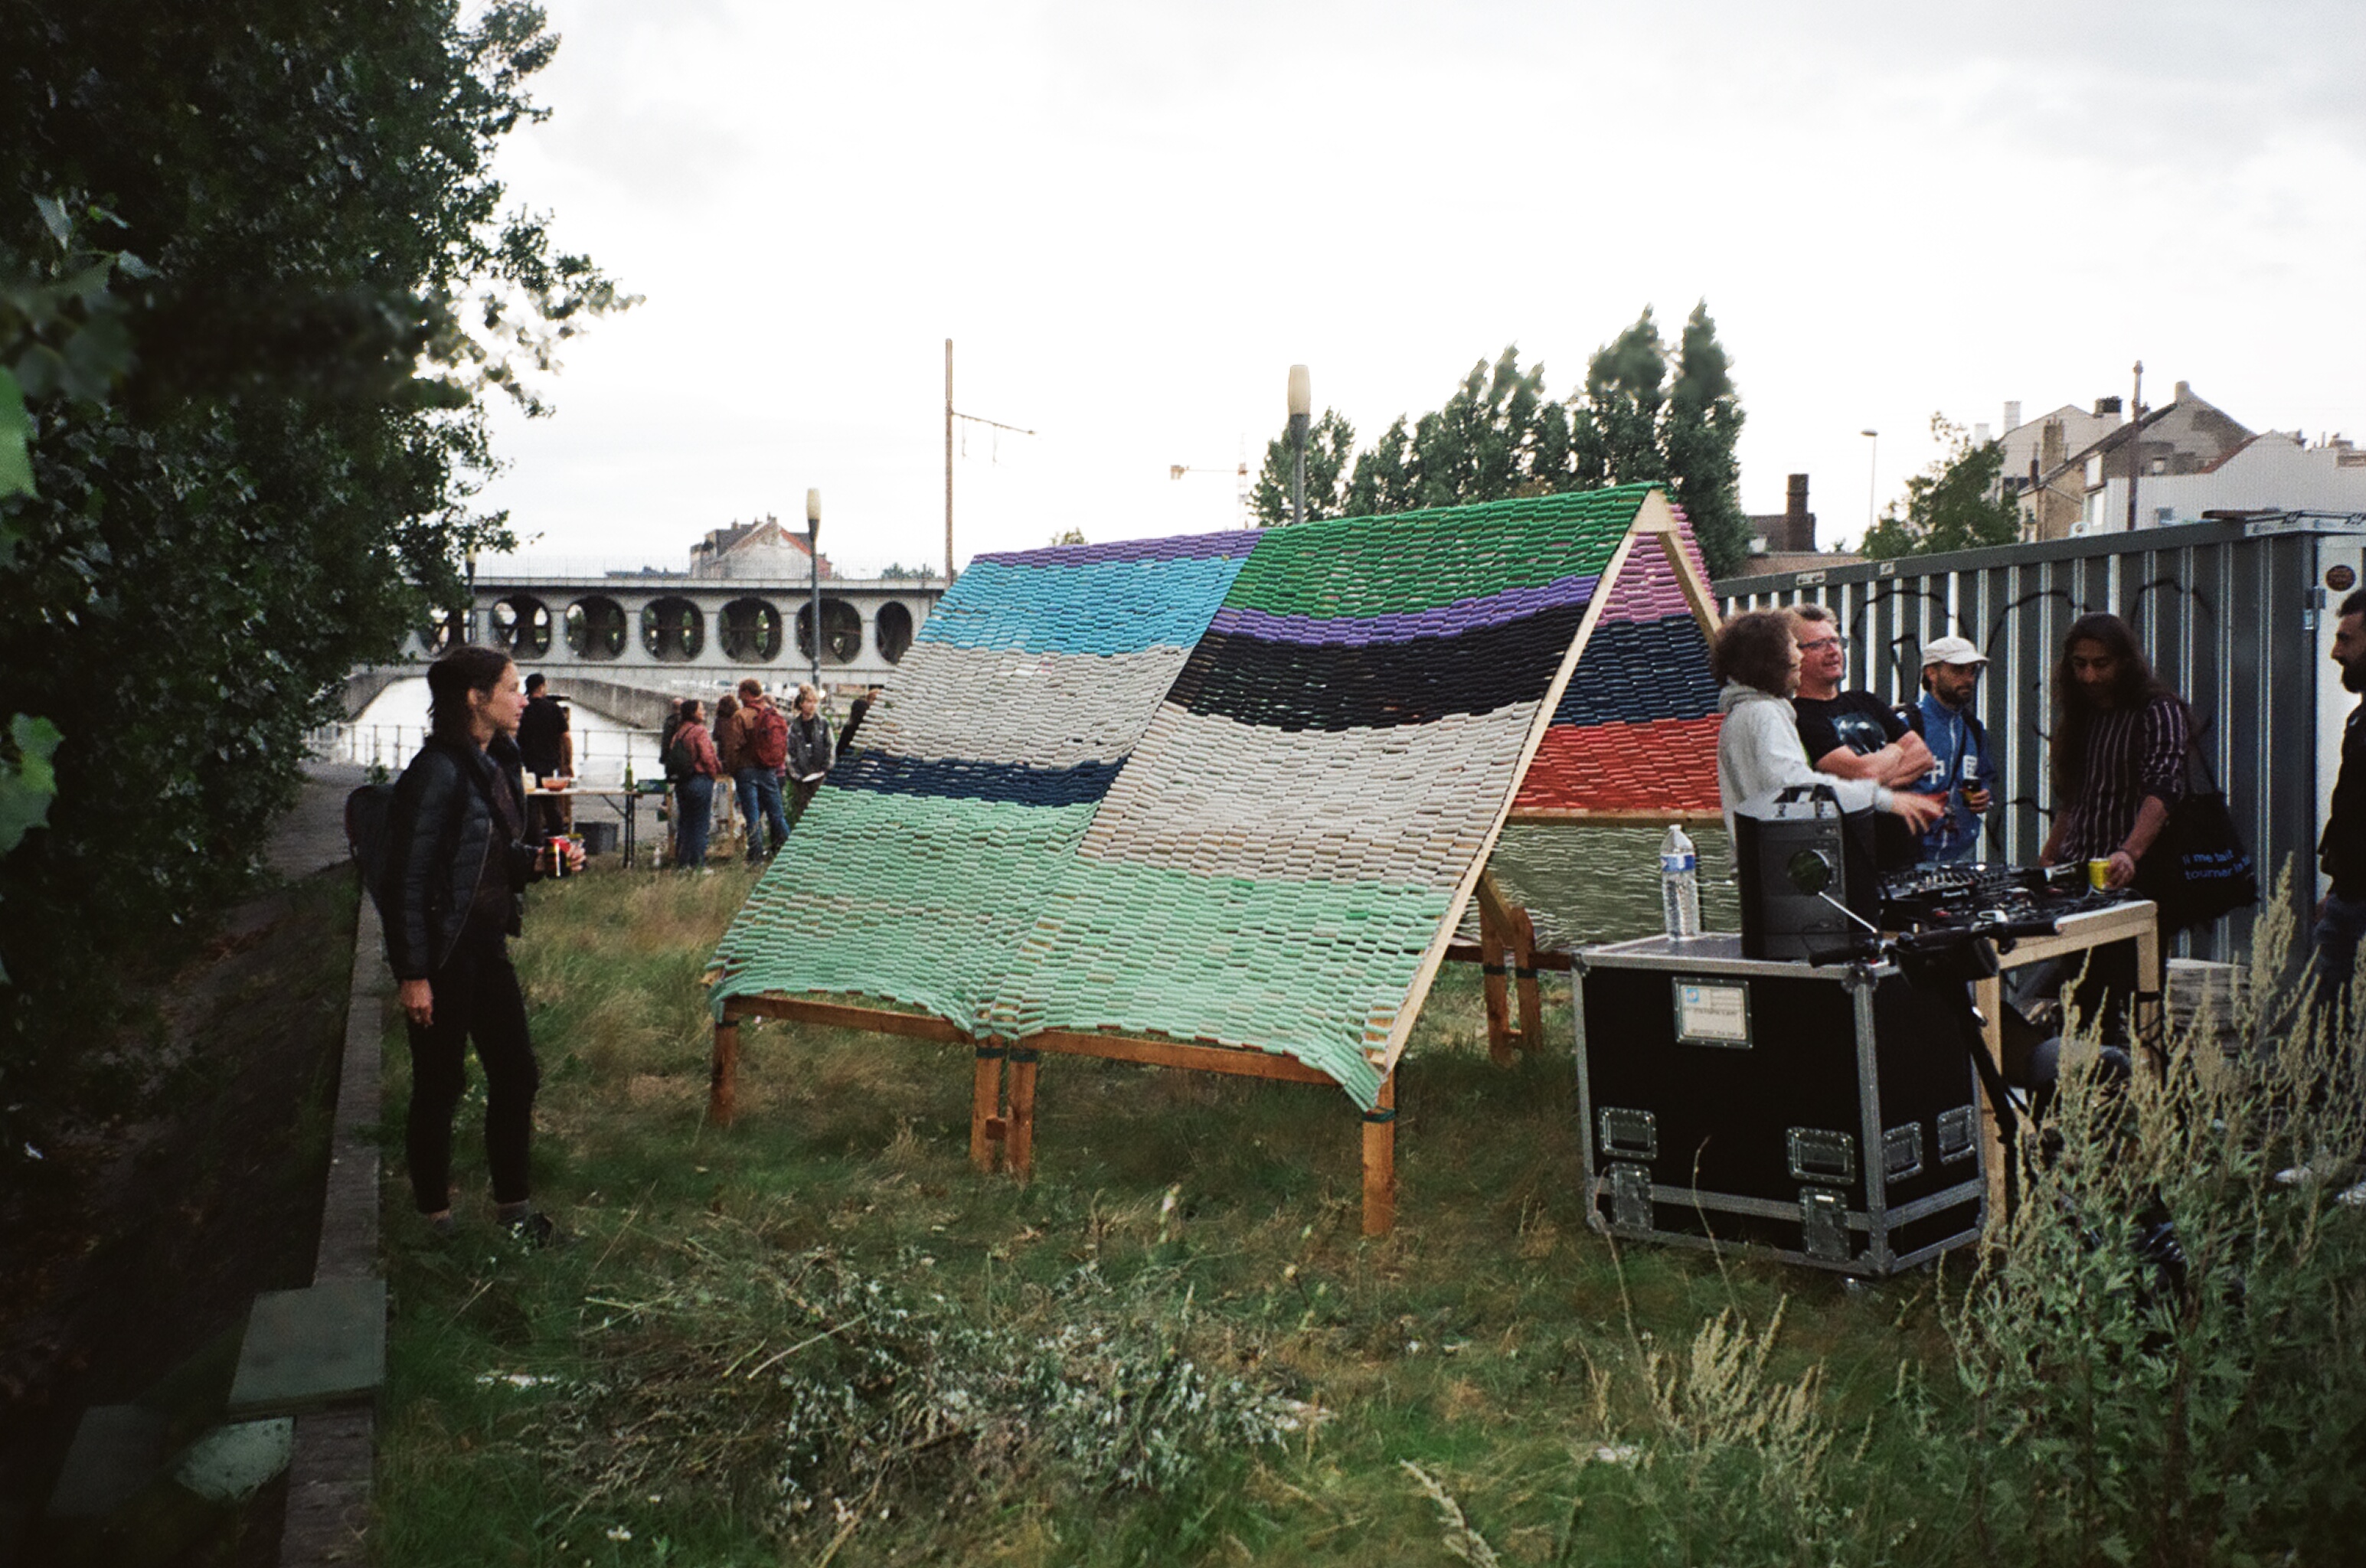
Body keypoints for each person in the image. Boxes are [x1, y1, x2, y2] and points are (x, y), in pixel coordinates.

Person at [383, 646, 579, 1246]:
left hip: (485, 945)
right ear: (475, 697)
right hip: (443, 955)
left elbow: (484, 861)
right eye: (512, 687)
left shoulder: (493, 762)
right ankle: (434, 1221)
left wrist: (544, 863)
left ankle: (514, 1212)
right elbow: (405, 879)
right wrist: (412, 973)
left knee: (516, 1073)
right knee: (440, 1086)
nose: (522, 699)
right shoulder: (436, 771)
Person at [1714, 609, 1945, 841]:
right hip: (1779, 863)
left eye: (1835, 641)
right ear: (1771, 658)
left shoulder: (1745, 714)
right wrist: (1884, 793)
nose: (1799, 657)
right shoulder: (1764, 714)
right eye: (1796, 647)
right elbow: (1797, 786)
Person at [2037, 612, 2187, 890]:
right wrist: (2049, 856)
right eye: (2080, 665)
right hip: (2076, 870)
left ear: (2124, 663)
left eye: (2101, 664)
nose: (2089, 676)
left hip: (2134, 875)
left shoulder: (2157, 709)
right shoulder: (2081, 715)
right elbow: (2073, 798)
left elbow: (2163, 790)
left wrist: (2129, 853)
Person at [1788, 603, 1941, 870]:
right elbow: (1864, 774)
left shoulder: (1865, 701)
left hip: (1905, 853)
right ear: (1794, 655)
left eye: (1835, 641)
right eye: (1818, 644)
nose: (1833, 651)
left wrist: (1867, 784)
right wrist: (1894, 750)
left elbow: (1924, 757)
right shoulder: (1799, 717)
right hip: (1853, 860)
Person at [1910, 635, 2000, 865]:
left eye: (1972, 671)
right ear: (1932, 673)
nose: (1968, 679)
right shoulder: (1907, 723)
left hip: (1961, 856)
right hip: (1912, 856)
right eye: (1958, 670)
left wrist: (1983, 797)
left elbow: (1984, 776)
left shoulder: (1973, 727)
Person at [732, 678, 791, 862]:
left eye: (740, 693)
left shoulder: (741, 716)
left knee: (753, 815)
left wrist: (734, 768)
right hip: (768, 769)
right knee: (777, 813)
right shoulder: (773, 713)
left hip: (747, 770)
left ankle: (755, 855)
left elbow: (735, 745)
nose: (739, 696)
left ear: (747, 693)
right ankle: (790, 851)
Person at [515, 671, 573, 841]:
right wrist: (568, 763)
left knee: (530, 805)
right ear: (541, 687)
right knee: (551, 806)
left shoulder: (523, 709)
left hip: (526, 765)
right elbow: (566, 737)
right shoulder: (553, 709)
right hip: (549, 765)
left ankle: (533, 843)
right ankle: (558, 841)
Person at [669, 697, 724, 870]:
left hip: (682, 782)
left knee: (685, 823)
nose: (704, 712)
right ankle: (698, 863)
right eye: (701, 709)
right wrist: (715, 773)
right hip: (699, 780)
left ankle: (683, 862)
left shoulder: (679, 733)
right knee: (700, 824)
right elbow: (707, 757)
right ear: (694, 713)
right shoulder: (699, 731)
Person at [785, 683, 835, 830]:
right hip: (801, 776)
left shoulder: (823, 724)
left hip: (820, 773)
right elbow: (789, 752)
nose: (812, 706)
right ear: (801, 704)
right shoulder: (794, 727)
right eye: (808, 702)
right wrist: (796, 774)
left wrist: (827, 768)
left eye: (814, 702)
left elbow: (830, 746)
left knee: (821, 809)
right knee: (802, 810)